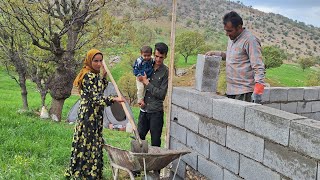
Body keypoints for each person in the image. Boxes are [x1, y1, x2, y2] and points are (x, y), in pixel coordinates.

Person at [65, 49, 124, 179]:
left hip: (95, 115)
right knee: (86, 143)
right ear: (89, 61)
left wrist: (103, 76)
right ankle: (82, 173)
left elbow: (100, 88)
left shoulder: (95, 74)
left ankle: (92, 172)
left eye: (100, 61)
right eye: (95, 61)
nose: (98, 64)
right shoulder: (87, 75)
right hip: (88, 115)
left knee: (94, 142)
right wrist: (113, 99)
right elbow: (95, 98)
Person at [205, 11, 265, 103]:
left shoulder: (250, 40)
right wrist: (216, 53)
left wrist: (258, 91)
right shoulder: (232, 38)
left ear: (239, 27)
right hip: (231, 90)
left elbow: (258, 66)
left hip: (244, 92)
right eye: (226, 30)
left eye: (229, 31)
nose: (227, 34)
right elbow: (233, 57)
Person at [137, 42, 169, 147]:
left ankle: (154, 163)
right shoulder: (146, 64)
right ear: (153, 54)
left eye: (161, 57)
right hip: (144, 110)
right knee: (139, 139)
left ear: (165, 56)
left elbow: (161, 94)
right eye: (156, 56)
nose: (158, 59)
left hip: (156, 112)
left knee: (155, 141)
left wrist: (147, 83)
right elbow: (138, 79)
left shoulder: (165, 72)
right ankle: (139, 162)